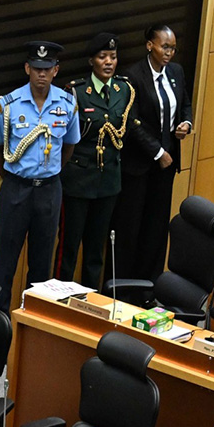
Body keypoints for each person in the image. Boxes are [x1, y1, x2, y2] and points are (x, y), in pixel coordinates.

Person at [0, 40, 80, 312]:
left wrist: (49, 173)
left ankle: (32, 323)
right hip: (16, 189)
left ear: (56, 71)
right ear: (27, 68)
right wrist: (13, 177)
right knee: (5, 265)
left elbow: (69, 146)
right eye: (37, 68)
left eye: (47, 68)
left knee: (41, 268)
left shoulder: (67, 104)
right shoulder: (9, 105)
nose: (41, 74)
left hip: (49, 191)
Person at [116, 23, 194, 281]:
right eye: (164, 46)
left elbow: (184, 103)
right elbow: (131, 122)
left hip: (166, 165)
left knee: (157, 227)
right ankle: (125, 285)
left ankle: (150, 285)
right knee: (131, 226)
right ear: (150, 45)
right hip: (139, 165)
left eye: (173, 47)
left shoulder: (177, 72)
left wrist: (186, 124)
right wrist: (158, 152)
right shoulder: (133, 76)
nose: (169, 52)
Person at [58, 33, 134, 288]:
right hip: (78, 181)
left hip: (108, 182)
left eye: (113, 57)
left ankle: (91, 301)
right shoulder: (77, 92)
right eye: (103, 57)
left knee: (95, 251)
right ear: (92, 61)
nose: (109, 62)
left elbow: (126, 129)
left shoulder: (124, 89)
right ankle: (59, 300)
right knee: (68, 248)